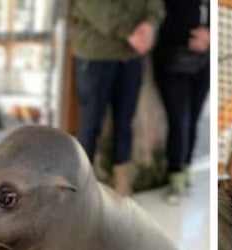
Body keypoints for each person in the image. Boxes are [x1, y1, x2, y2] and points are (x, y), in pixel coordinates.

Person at [70, 0, 165, 197]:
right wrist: (130, 33)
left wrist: (150, 25)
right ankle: (80, 190)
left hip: (131, 56)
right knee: (90, 125)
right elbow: (96, 8)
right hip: (96, 54)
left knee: (125, 123)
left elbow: (155, 5)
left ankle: (122, 185)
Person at [153, 0, 209, 205]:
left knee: (193, 118)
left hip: (203, 62)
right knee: (179, 120)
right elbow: (159, 17)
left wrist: (208, 35)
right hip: (173, 58)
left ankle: (185, 170)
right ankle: (175, 176)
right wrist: (191, 37)